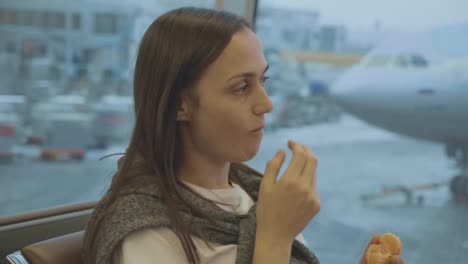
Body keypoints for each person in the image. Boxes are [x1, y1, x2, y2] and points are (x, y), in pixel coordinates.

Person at [82, 7, 406, 264]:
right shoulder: (146, 236)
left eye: (263, 81)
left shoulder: (253, 196)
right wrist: (274, 237)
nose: (266, 104)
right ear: (180, 105)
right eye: (241, 87)